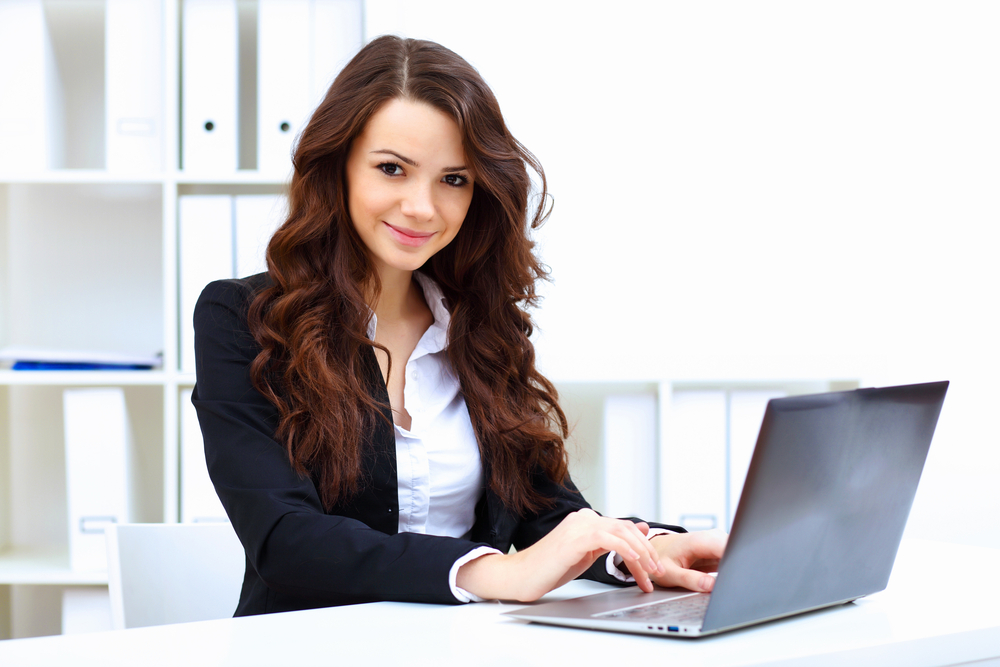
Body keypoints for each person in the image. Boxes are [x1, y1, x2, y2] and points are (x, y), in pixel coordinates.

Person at [193, 35, 726, 617]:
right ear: (337, 166)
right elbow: (285, 540)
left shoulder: (478, 325)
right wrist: (497, 570)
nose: (423, 207)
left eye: (454, 179)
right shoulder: (243, 320)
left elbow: (545, 512)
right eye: (392, 169)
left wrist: (644, 551)